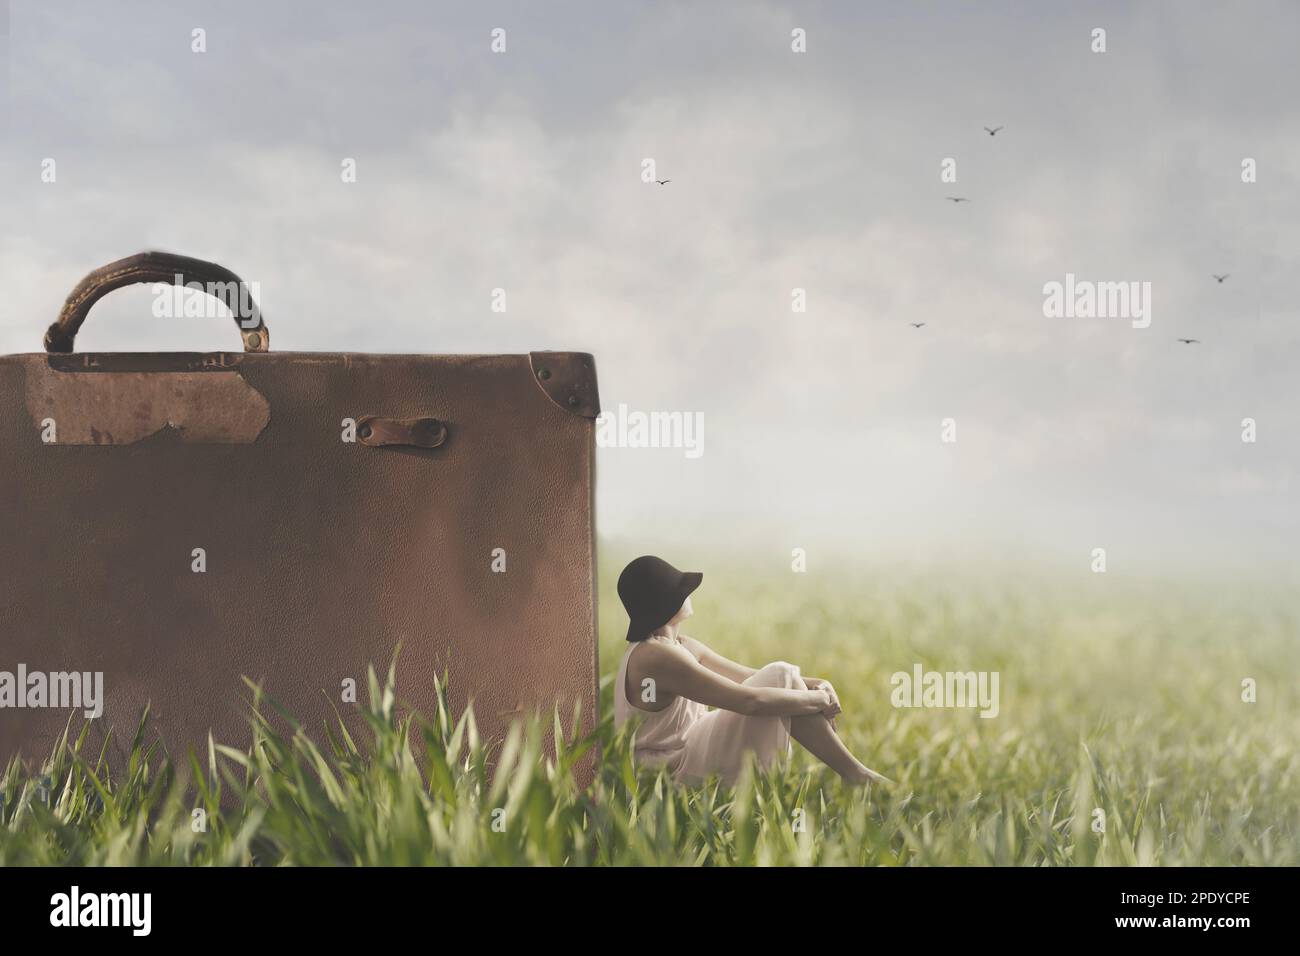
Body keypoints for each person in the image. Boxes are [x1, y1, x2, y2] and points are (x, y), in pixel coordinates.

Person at [613, 555, 890, 787]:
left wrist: (819, 684)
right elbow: (749, 701)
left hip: (693, 745)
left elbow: (748, 677)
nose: (687, 594)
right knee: (780, 678)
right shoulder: (655, 657)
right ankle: (856, 775)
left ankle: (855, 774)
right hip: (671, 771)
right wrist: (817, 701)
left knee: (781, 675)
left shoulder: (680, 645)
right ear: (664, 603)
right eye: (679, 590)